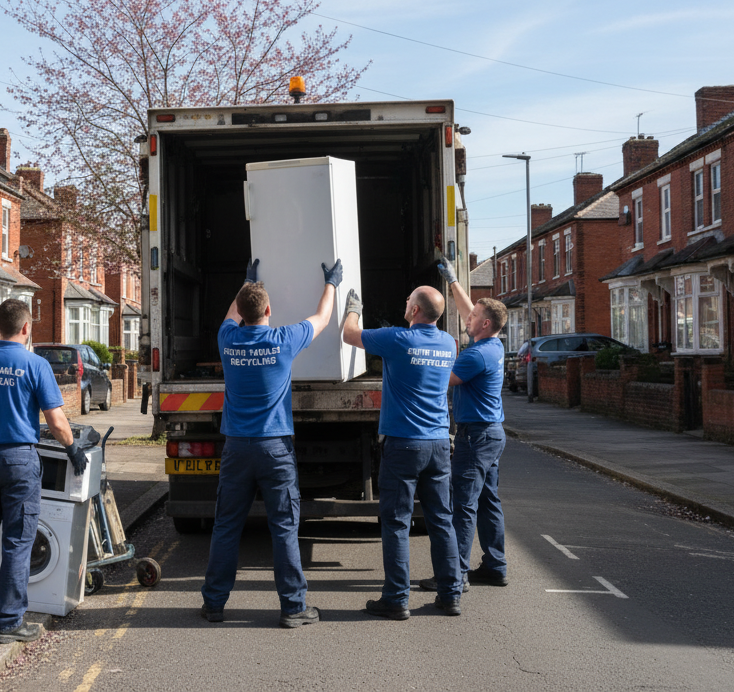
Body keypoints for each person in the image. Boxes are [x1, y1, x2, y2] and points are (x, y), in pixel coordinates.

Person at [200, 257, 340, 629]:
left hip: (236, 448)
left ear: (243, 312)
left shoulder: (226, 338)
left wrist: (246, 283)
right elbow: (323, 318)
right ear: (269, 311)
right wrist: (332, 283)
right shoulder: (283, 340)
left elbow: (232, 312)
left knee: (227, 526)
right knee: (283, 527)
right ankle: (293, 608)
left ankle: (214, 604)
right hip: (275, 449)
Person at [0, 298, 87, 644]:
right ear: (26, 327)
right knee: (17, 541)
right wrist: (73, 449)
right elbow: (57, 421)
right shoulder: (35, 365)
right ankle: (9, 622)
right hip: (18, 460)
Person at [341, 286, 462, 618]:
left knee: (396, 523)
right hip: (438, 444)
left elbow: (350, 335)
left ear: (414, 311)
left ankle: (396, 599)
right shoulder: (448, 344)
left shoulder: (399, 340)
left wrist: (353, 307)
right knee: (441, 520)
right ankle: (451, 595)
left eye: (408, 301)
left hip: (404, 443)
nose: (405, 304)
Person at [417, 259, 509, 594]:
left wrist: (416, 359)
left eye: (471, 318)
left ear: (483, 324)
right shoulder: (493, 343)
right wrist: (454, 282)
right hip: (493, 433)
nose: (465, 318)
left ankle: (454, 574)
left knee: (463, 506)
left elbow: (443, 379)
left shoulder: (474, 356)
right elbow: (471, 309)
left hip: (477, 437)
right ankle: (495, 566)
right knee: (488, 501)